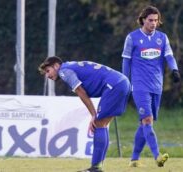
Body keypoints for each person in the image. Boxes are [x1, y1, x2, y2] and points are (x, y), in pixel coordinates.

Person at [38, 56, 131, 172]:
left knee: (98, 124)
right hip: (122, 82)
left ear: (56, 65)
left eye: (48, 71)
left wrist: (93, 115)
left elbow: (81, 92)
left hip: (114, 85)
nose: (47, 75)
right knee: (102, 125)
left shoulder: (63, 71)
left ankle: (95, 168)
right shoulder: (70, 66)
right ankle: (97, 167)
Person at [122, 5, 181, 168]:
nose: (153, 23)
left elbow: (169, 56)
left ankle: (134, 159)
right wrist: (125, 81)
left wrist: (174, 69)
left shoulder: (162, 38)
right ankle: (158, 156)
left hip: (157, 86)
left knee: (146, 123)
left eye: (156, 20)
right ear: (143, 20)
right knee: (147, 120)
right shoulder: (132, 38)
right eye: (150, 20)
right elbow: (126, 60)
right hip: (139, 86)